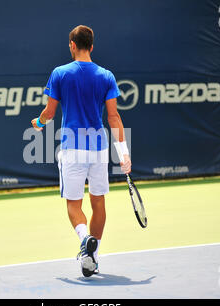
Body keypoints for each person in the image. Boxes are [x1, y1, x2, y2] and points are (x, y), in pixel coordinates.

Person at [30, 25, 131, 277]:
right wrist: (124, 152)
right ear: (92, 46)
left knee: (73, 206)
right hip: (98, 149)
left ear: (72, 46)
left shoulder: (59, 73)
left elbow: (49, 113)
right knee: (98, 203)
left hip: (72, 148)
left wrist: (40, 123)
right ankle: (92, 258)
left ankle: (85, 239)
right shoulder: (106, 75)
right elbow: (114, 117)